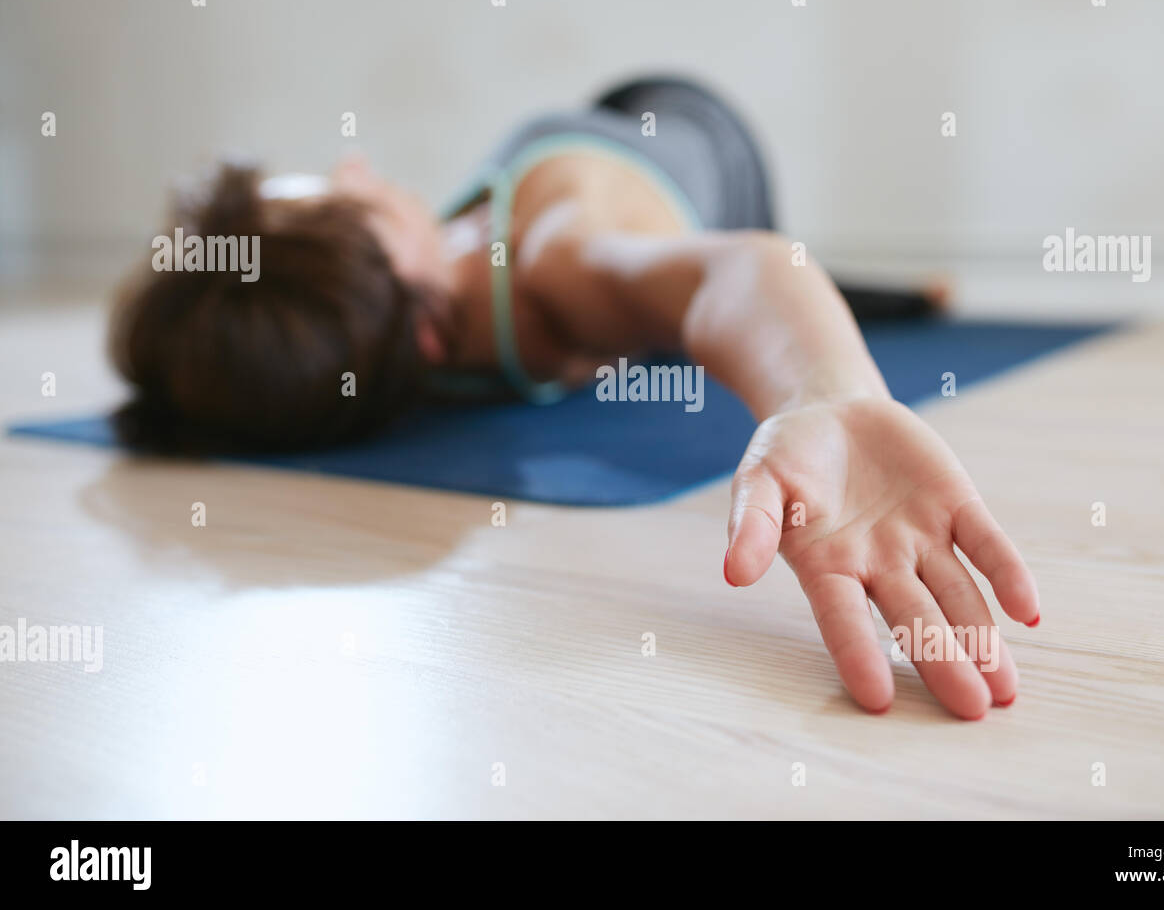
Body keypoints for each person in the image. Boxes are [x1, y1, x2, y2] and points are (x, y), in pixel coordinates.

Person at [109, 76, 1039, 719]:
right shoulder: (369, 347)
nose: (358, 164)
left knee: (703, 279)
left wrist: (828, 392)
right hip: (593, 169)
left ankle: (879, 300)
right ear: (424, 341)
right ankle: (898, 295)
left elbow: (745, 270)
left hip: (686, 129)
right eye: (346, 203)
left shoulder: (558, 256)